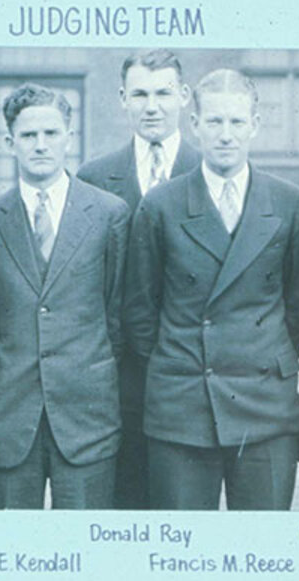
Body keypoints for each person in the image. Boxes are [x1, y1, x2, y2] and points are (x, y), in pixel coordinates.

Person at [124, 69, 299, 510]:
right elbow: (139, 310)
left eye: (236, 122)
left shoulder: (288, 202)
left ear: (255, 125)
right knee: (181, 549)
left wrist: (262, 353)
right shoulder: (161, 205)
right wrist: (181, 364)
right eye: (214, 122)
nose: (225, 135)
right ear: (195, 126)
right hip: (184, 406)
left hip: (264, 405)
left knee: (261, 550)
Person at [0, 83, 130, 509]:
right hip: (10, 418)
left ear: (69, 137)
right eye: (27, 136)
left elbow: (117, 313)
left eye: (50, 134)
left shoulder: (108, 213)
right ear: (10, 143)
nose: (40, 145)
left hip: (86, 417)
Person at [77, 48, 200, 509]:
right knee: (122, 500)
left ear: (184, 97)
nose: (152, 106)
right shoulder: (93, 178)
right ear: (122, 99)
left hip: (187, 370)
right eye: (141, 94)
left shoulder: (208, 173)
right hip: (117, 376)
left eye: (164, 93)